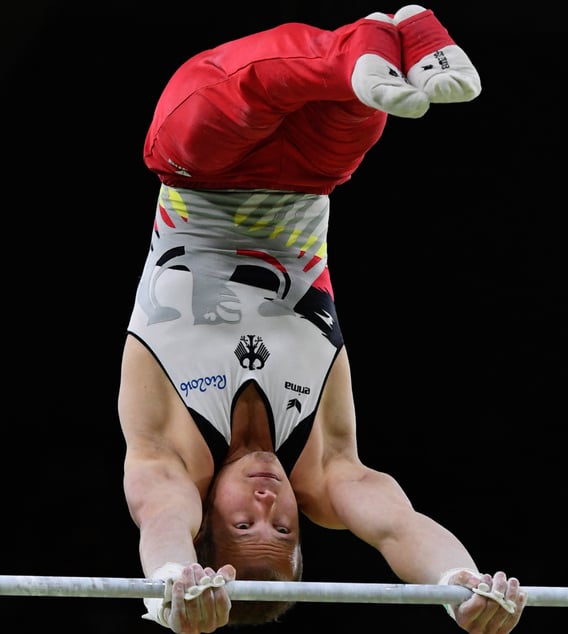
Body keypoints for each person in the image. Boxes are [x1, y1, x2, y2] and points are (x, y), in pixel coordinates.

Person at [118, 5, 527, 633]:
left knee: (264, 89)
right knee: (361, 105)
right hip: (311, 180)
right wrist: (459, 586)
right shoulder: (326, 467)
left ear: (206, 524)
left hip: (196, 166)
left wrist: (171, 588)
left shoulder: (169, 457)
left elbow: (161, 518)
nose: (267, 501)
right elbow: (396, 524)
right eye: (284, 527)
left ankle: (373, 41)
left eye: (244, 524)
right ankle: (404, 31)